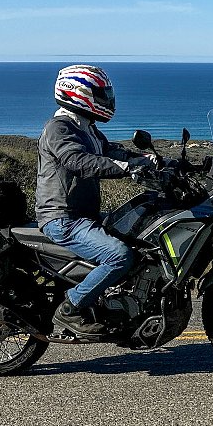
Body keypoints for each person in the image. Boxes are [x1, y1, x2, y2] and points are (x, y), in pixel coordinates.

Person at [35, 64, 154, 335]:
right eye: (101, 95)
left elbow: (110, 150)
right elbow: (79, 161)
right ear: (78, 93)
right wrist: (126, 169)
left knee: (138, 238)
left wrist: (150, 161)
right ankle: (71, 308)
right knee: (119, 256)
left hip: (83, 215)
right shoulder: (59, 128)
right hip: (62, 218)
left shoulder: (86, 127)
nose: (107, 100)